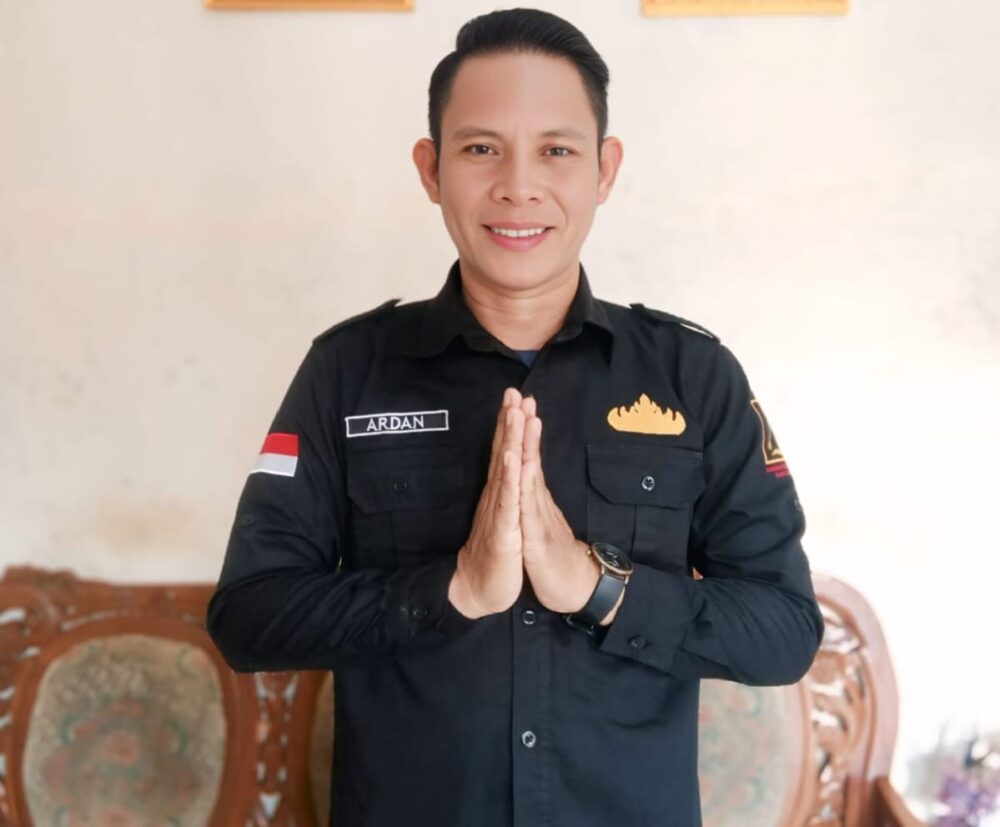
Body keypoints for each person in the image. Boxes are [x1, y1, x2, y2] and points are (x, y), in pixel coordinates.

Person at [207, 8, 824, 826]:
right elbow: (249, 616)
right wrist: (452, 589)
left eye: (557, 151)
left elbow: (784, 630)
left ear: (605, 169)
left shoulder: (691, 375)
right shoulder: (348, 371)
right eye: (480, 149)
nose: (518, 186)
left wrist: (599, 586)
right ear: (431, 169)